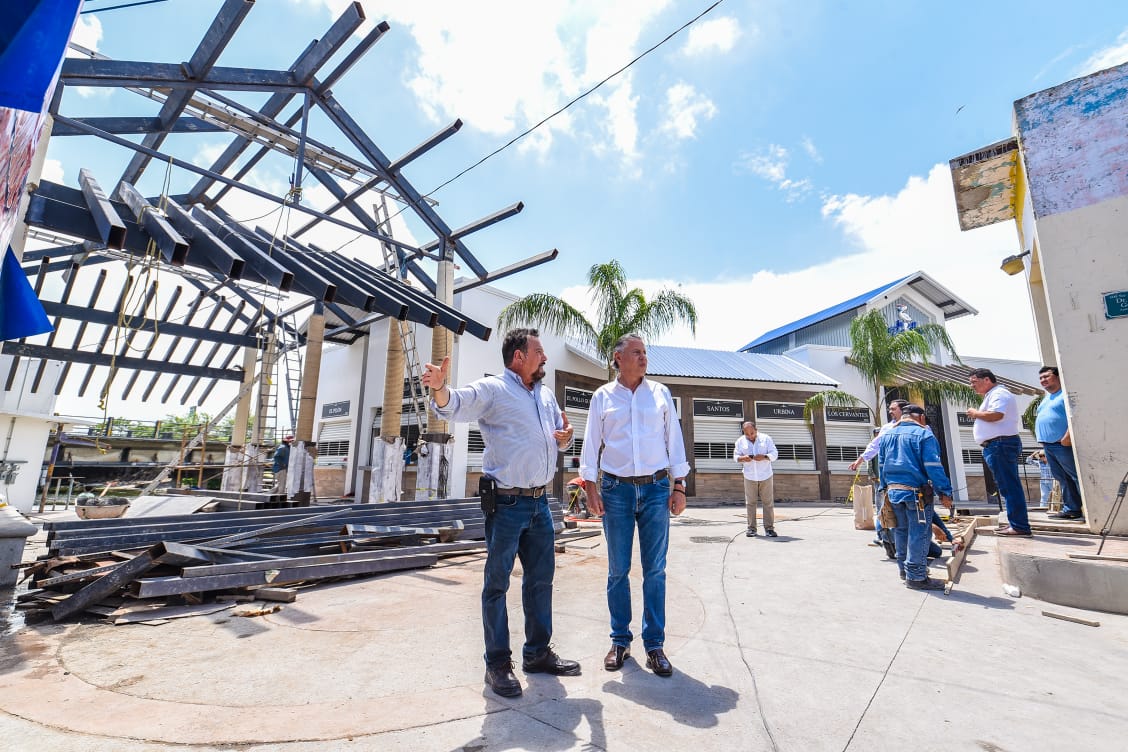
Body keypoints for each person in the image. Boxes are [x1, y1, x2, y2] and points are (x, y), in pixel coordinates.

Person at [422, 327, 579, 698]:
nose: (545, 357)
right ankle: (497, 664)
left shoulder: (544, 395)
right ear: (519, 357)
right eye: (539, 351)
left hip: (540, 504)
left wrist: (566, 437)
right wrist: (440, 387)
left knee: (540, 582)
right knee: (497, 585)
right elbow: (453, 404)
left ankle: (537, 653)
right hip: (507, 504)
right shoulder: (493, 389)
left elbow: (560, 436)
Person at [581, 334, 690, 678]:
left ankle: (654, 645)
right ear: (618, 358)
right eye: (636, 352)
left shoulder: (660, 393)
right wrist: (590, 487)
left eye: (645, 352)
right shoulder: (603, 397)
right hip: (616, 491)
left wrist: (679, 485)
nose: (644, 358)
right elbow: (591, 444)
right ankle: (620, 641)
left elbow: (674, 439)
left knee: (655, 569)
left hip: (656, 489)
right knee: (618, 570)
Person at [877, 404, 954, 590]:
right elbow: (933, 466)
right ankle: (917, 577)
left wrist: (884, 488)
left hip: (893, 492)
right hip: (916, 494)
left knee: (901, 532)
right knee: (919, 533)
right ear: (921, 417)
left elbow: (881, 465)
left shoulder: (886, 435)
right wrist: (944, 492)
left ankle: (904, 571)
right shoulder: (924, 435)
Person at [967, 368, 1031, 536]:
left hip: (1000, 445)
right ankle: (1016, 523)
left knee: (1010, 487)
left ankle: (1019, 526)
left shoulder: (999, 393)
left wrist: (975, 413)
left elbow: (996, 415)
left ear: (987, 379)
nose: (972, 386)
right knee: (1007, 487)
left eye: (974, 382)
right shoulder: (992, 395)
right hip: (997, 445)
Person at [850, 399, 910, 556]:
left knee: (907, 513)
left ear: (903, 410)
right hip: (888, 479)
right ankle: (886, 540)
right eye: (889, 409)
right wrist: (860, 460)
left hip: (910, 478)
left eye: (893, 409)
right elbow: (874, 446)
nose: (890, 411)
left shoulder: (917, 428)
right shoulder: (887, 428)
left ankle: (903, 543)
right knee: (884, 510)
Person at [1034, 366, 1084, 520]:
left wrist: (1067, 437)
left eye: (1046, 376)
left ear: (1057, 377)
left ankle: (1090, 509)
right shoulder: (1047, 398)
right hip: (1049, 446)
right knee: (1062, 478)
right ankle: (1072, 509)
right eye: (1041, 378)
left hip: (1062, 445)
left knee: (1075, 476)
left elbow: (1075, 416)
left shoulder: (1065, 395)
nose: (1043, 380)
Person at [734, 421, 779, 537]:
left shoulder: (766, 438)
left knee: (768, 503)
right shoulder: (740, 441)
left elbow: (775, 454)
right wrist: (743, 458)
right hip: (749, 476)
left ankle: (769, 529)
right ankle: (751, 529)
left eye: (752, 433)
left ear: (756, 430)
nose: (750, 436)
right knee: (750, 503)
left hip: (766, 475)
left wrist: (765, 457)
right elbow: (736, 457)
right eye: (747, 434)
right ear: (743, 432)